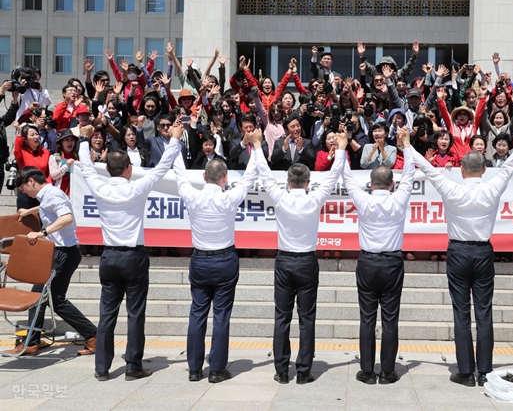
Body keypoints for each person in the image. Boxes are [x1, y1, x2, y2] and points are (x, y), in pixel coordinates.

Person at [411, 123, 513, 387]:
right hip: (482, 252)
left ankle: (466, 372)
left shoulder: (451, 188)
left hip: (457, 251)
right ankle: (485, 371)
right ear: (485, 169)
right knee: (484, 313)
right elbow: (512, 163)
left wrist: (406, 145)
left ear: (461, 169)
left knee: (461, 314)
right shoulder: (492, 186)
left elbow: (426, 167)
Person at [77, 122, 183, 381]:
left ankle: (101, 368)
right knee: (135, 313)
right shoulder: (137, 187)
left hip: (110, 256)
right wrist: (175, 139)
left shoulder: (99, 186)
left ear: (108, 169)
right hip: (133, 257)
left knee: (107, 314)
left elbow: (86, 166)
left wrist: (83, 139)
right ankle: (133, 366)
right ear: (129, 169)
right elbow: (161, 167)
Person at [252, 132, 348, 385]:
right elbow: (334, 176)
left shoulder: (280, 197)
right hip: (306, 262)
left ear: (287, 181)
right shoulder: (314, 198)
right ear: (308, 182)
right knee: (307, 318)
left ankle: (282, 370)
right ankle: (304, 371)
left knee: (282, 317)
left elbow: (264, 172)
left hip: (284, 262)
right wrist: (341, 149)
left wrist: (255, 145)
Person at [172, 129, 262, 383]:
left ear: (203, 176)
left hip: (200, 260)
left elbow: (179, 174)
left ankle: (193, 368)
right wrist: (255, 147)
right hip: (224, 260)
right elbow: (249, 176)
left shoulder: (193, 196)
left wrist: (175, 141)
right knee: (221, 315)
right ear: (224, 178)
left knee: (197, 313)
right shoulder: (228, 198)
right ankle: (216, 369)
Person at [342, 127, 414, 385]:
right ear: (391, 184)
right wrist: (406, 145)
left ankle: (367, 371)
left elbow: (348, 178)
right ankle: (388, 371)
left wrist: (342, 149)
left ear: (371, 184)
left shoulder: (364, 199)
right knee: (390, 319)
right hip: (393, 263)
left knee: (367, 318)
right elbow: (410, 172)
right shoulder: (399, 199)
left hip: (368, 262)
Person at [4, 167, 97, 356]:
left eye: (23, 188)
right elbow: (48, 207)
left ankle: (94, 335)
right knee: (38, 297)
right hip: (56, 253)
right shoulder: (47, 195)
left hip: (64, 253)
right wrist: (30, 210)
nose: (23, 191)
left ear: (31, 181)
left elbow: (67, 217)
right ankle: (31, 342)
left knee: (56, 299)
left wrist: (42, 232)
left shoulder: (53, 194)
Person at [14, 124, 52, 210]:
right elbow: (17, 150)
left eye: (37, 134)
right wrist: (20, 133)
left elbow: (48, 173)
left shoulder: (45, 152)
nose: (36, 137)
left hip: (42, 192)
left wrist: (48, 186)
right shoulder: (21, 153)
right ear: (26, 140)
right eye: (32, 135)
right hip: (26, 192)